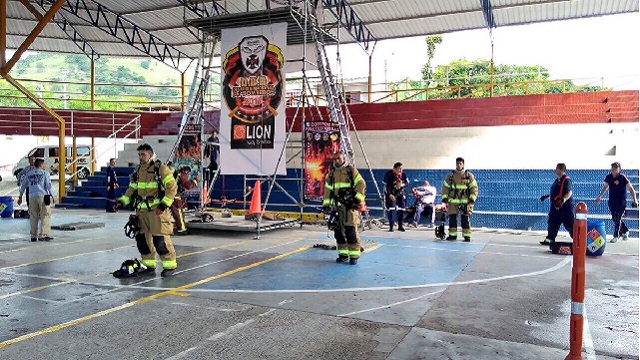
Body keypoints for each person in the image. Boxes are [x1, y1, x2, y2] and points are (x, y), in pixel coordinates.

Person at [115, 144, 179, 277]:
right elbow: (132, 189)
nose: (140, 157)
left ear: (150, 154)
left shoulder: (161, 168)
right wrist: (122, 202)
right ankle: (149, 265)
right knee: (142, 240)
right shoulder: (138, 170)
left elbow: (172, 187)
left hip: (157, 212)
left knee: (160, 240)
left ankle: (170, 266)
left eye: (143, 154)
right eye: (139, 154)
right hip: (142, 212)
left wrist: (163, 205)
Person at [322, 152, 366, 265]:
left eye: (338, 158)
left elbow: (361, 184)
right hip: (337, 208)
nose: (336, 161)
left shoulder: (351, 171)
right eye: (335, 159)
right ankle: (343, 254)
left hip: (349, 208)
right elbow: (327, 190)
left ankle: (354, 256)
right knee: (339, 233)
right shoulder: (331, 174)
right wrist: (326, 205)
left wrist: (356, 200)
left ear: (344, 158)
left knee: (350, 232)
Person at [595, 162, 638, 243]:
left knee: (618, 217)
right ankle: (625, 231)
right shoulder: (609, 177)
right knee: (615, 218)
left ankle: (616, 236)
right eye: (612, 168)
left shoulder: (623, 178)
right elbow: (605, 187)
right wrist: (600, 196)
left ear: (619, 169)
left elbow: (631, 188)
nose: (614, 170)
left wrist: (635, 199)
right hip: (612, 201)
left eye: (615, 168)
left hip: (621, 202)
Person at [441, 157, 478, 242]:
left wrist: (472, 199)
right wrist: (445, 198)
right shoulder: (450, 176)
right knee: (452, 219)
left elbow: (474, 188)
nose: (458, 165)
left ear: (463, 165)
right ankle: (452, 235)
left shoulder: (469, 176)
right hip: (453, 202)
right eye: (457, 163)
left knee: (465, 219)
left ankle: (467, 236)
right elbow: (445, 187)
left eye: (460, 163)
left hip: (465, 202)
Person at [17, 158, 54, 242]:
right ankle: (43, 235)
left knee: (33, 216)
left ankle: (33, 236)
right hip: (43, 196)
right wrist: (53, 195)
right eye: (44, 164)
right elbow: (48, 185)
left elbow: (23, 185)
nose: (45, 166)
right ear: (41, 165)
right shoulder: (45, 173)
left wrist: (20, 196)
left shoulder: (29, 174)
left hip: (32, 197)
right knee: (45, 215)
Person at [539, 163, 574, 245]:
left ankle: (578, 239)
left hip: (565, 208)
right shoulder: (557, 180)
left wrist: (563, 200)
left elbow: (569, 192)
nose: (555, 170)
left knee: (569, 224)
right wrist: (547, 196)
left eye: (557, 169)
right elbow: (555, 192)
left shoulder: (566, 180)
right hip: (555, 207)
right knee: (552, 222)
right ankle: (550, 239)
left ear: (562, 170)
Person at [172, 166, 198, 235]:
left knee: (176, 213)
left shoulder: (176, 174)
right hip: (175, 196)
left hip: (171, 195)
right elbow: (188, 185)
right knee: (179, 213)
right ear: (186, 171)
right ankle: (182, 230)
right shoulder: (182, 175)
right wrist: (195, 181)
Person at [383, 162, 409, 232]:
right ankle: (391, 226)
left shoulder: (403, 175)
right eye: (399, 169)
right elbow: (386, 187)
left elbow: (407, 183)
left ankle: (400, 226)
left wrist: (402, 185)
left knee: (402, 209)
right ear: (394, 169)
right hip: (392, 195)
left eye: (401, 169)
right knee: (392, 210)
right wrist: (389, 194)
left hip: (400, 194)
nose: (400, 170)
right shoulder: (390, 176)